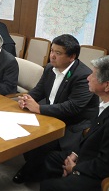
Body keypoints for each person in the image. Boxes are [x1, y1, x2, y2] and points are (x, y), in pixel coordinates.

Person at [13, 34, 99, 184]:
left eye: (57, 53)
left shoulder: (83, 76)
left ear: (72, 57)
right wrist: (26, 99)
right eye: (52, 50)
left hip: (73, 122)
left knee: (41, 142)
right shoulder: (49, 68)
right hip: (50, 114)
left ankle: (30, 172)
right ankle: (33, 166)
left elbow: (72, 107)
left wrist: (39, 108)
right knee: (24, 132)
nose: (52, 56)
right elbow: (38, 90)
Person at [40, 55, 109, 191]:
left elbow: (104, 165)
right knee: (51, 158)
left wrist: (75, 168)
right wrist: (75, 154)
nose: (88, 78)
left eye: (93, 75)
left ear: (106, 86)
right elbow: (90, 135)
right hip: (85, 155)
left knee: (48, 186)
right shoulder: (102, 104)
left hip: (97, 174)